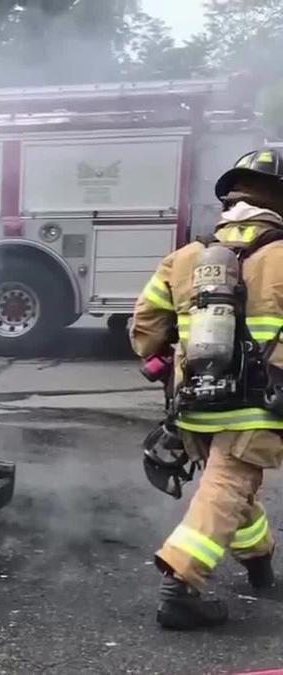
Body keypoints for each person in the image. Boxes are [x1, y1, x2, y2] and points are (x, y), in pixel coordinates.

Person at [131, 148, 283, 630]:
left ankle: (259, 560)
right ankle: (181, 586)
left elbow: (144, 329)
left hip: (193, 402)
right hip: (260, 404)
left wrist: (160, 359)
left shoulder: (185, 257)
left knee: (232, 484)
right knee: (229, 482)